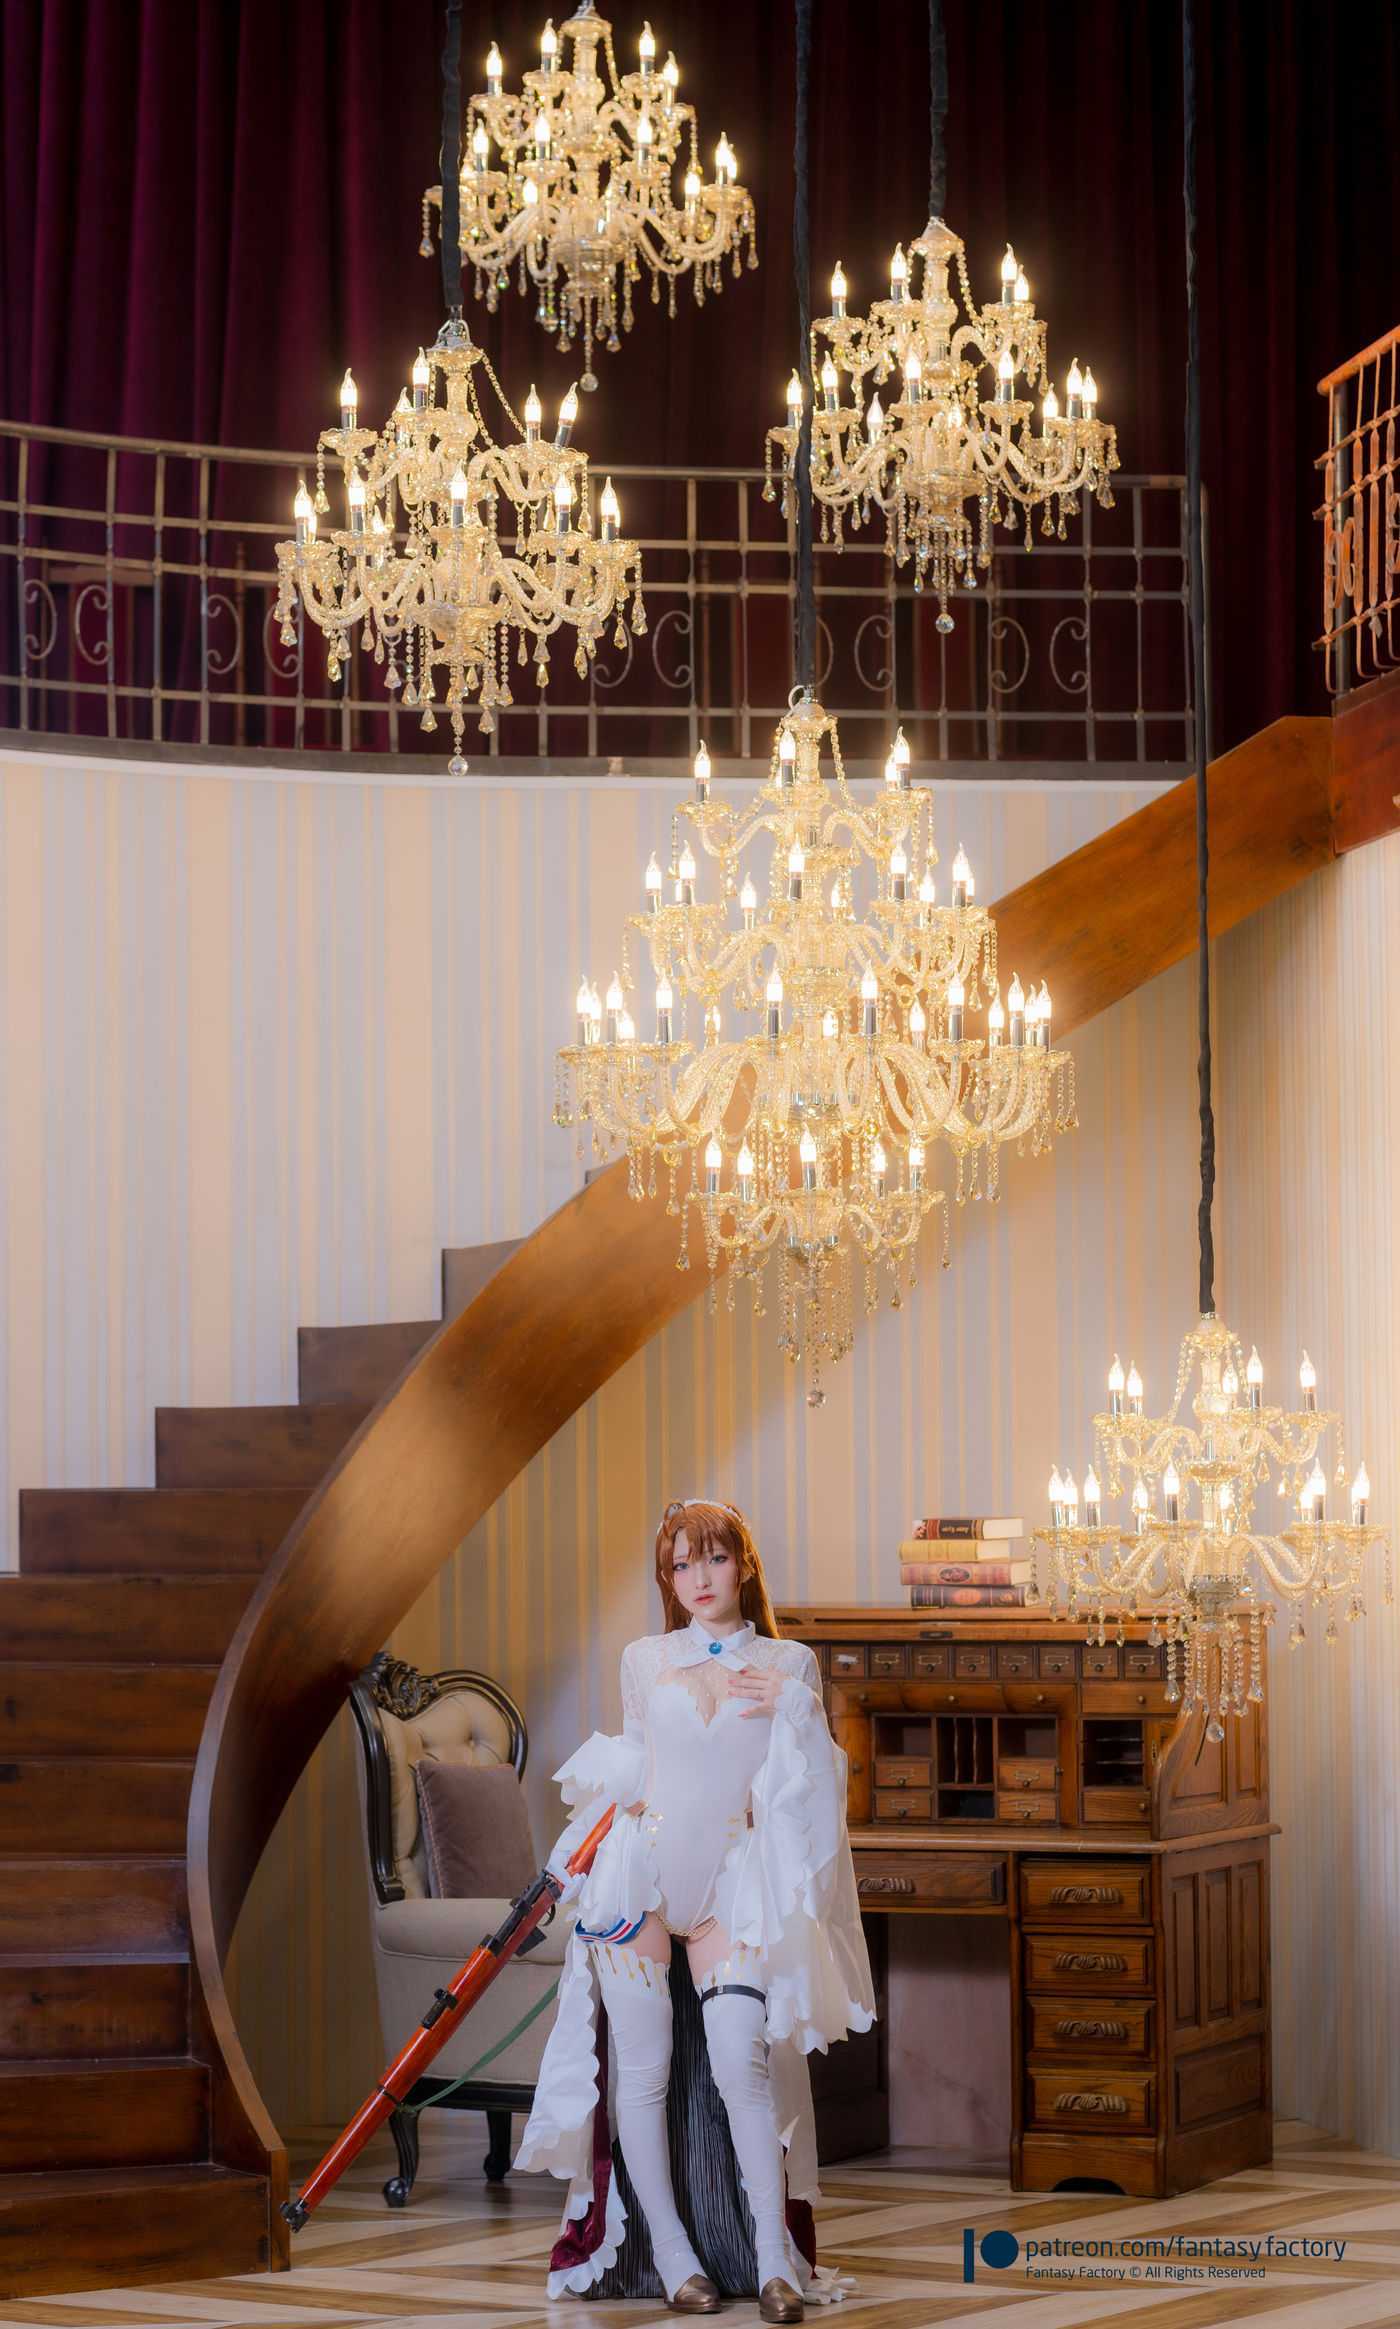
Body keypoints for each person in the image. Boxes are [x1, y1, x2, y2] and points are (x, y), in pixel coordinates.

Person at [515, 1497, 877, 2319]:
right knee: (641, 2072)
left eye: (713, 1558)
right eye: (681, 1564)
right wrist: (581, 1849)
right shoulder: (643, 1658)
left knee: (742, 2063)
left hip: (732, 1888)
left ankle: (773, 2260)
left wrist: (796, 1707)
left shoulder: (792, 1663)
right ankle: (676, 2259)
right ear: (668, 1578)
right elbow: (637, 1766)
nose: (698, 1578)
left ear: (744, 1564)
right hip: (638, 1878)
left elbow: (814, 1789)